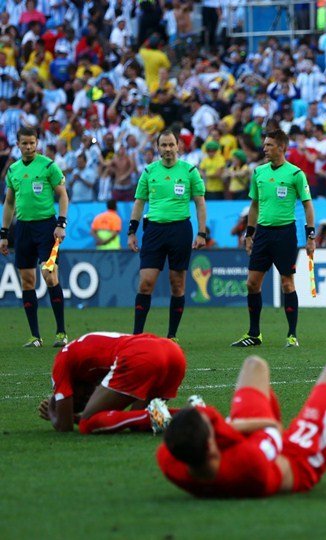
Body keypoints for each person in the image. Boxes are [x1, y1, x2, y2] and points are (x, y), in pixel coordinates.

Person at [157, 355, 326, 498]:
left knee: (254, 366)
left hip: (259, 448)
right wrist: (241, 423)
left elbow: (220, 432)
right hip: (298, 459)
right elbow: (272, 429)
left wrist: (224, 425)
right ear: (213, 448)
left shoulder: (171, 459)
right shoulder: (248, 465)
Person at [233, 130, 316, 348]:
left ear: (282, 147)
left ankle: (291, 335)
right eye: (265, 144)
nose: (264, 148)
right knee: (252, 283)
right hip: (263, 234)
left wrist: (311, 236)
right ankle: (254, 334)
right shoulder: (259, 172)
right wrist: (249, 233)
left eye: (269, 145)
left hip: (285, 234)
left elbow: (308, 205)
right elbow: (254, 205)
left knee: (287, 283)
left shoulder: (296, 174)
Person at [128, 130, 207, 341]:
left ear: (178, 146)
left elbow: (200, 203)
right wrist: (132, 231)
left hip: (180, 230)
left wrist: (201, 232)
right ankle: (136, 335)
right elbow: (139, 203)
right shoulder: (149, 171)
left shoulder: (190, 171)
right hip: (154, 230)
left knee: (177, 284)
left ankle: (171, 336)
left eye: (171, 144)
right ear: (158, 147)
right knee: (145, 283)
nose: (168, 149)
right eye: (164, 145)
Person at [0, 125, 69, 348]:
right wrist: (4, 233)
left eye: (32, 142)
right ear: (18, 144)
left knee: (50, 274)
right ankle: (35, 336)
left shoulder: (49, 166)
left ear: (37, 143)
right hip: (23, 230)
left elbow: (63, 196)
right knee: (27, 281)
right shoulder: (13, 170)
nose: (28, 147)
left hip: (46, 228)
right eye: (24, 143)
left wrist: (61, 223)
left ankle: (61, 333)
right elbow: (9, 203)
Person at [38, 332, 188, 434]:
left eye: (80, 399)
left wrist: (52, 411)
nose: (86, 399)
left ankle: (181, 414)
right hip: (174, 353)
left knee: (87, 423)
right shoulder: (87, 360)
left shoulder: (61, 363)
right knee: (140, 425)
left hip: (143, 355)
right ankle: (191, 413)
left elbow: (65, 427)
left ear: (74, 388)